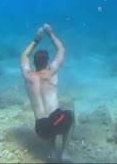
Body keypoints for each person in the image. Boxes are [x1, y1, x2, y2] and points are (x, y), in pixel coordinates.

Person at [20, 23, 75, 162]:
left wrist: (36, 39)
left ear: (34, 63)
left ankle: (51, 152)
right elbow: (61, 49)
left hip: (40, 128)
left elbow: (24, 54)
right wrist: (50, 33)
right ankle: (64, 153)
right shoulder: (51, 73)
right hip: (57, 121)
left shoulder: (28, 76)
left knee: (51, 122)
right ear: (47, 62)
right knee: (69, 115)